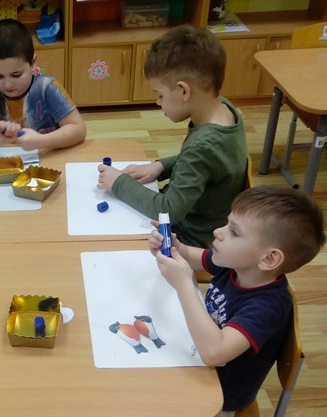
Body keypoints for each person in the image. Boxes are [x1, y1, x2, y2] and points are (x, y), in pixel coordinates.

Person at [149, 186, 325, 416]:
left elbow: (215, 352)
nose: (218, 232)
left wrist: (183, 284)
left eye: (234, 232)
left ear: (269, 258)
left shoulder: (268, 307)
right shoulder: (236, 264)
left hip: (219, 394)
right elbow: (192, 256)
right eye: (227, 224)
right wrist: (175, 248)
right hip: (199, 358)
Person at [98, 24, 247, 248]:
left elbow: (168, 211)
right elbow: (207, 162)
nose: (158, 102)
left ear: (183, 91)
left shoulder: (203, 146)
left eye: (160, 95)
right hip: (204, 221)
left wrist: (119, 183)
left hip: (188, 240)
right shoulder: (224, 109)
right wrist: (160, 166)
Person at [0, 19, 86, 151]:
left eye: (16, 75)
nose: (8, 85)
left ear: (33, 62)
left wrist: (41, 141)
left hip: (46, 158)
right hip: (5, 160)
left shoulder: (46, 88)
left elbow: (79, 129)